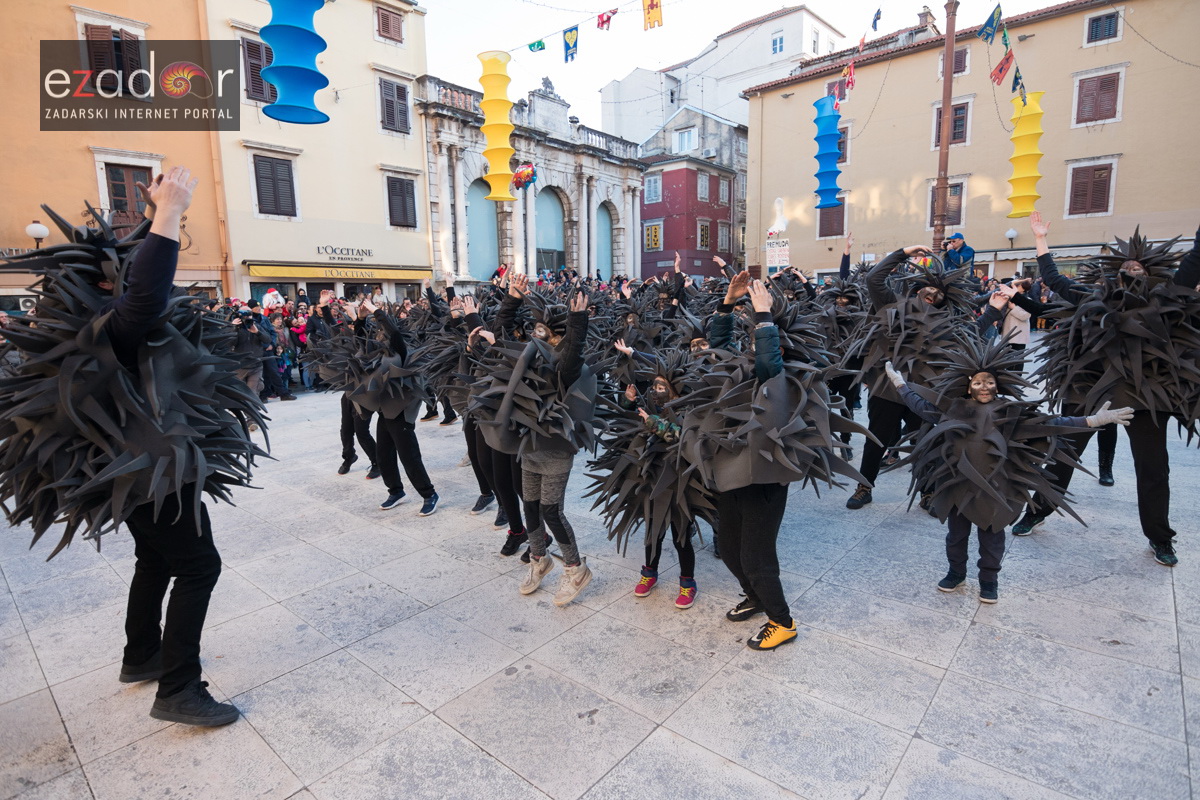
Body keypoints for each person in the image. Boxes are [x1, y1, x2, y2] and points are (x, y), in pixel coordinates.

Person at [1012, 213, 1200, 567]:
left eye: (1139, 266)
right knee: (1062, 456)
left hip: (1145, 400)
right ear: (1115, 272)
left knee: (1154, 471)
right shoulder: (1091, 296)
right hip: (1090, 395)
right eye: (1127, 264)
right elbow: (1052, 278)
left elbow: (1195, 261)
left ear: (1151, 273)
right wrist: (1040, 238)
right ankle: (1036, 512)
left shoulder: (1165, 298)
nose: (1133, 268)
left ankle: (1160, 538)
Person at [884, 352, 1134, 604]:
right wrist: (900, 385)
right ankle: (956, 572)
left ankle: (989, 580)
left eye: (990, 382)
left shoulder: (1011, 411)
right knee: (956, 534)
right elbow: (922, 407)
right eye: (979, 382)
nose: (985, 387)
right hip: (958, 485)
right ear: (969, 383)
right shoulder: (956, 408)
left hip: (997, 488)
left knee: (992, 535)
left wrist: (1093, 420)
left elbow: (1052, 423)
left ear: (998, 384)